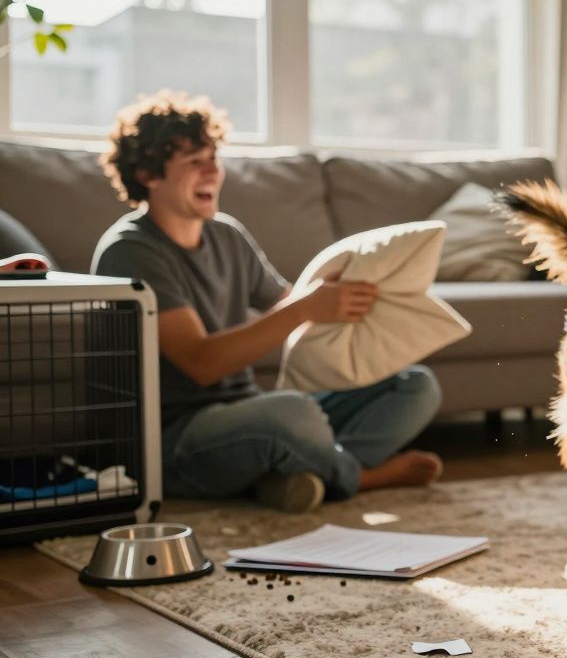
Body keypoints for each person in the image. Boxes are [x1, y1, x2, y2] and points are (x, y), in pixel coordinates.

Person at [91, 91, 444, 513]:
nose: (213, 172)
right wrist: (305, 308)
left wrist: (351, 290)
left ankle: (297, 473)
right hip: (175, 440)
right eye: (194, 162)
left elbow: (290, 301)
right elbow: (203, 363)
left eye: (213, 159)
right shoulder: (130, 250)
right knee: (290, 415)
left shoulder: (226, 234)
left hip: (247, 412)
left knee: (415, 385)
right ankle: (361, 476)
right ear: (149, 174)